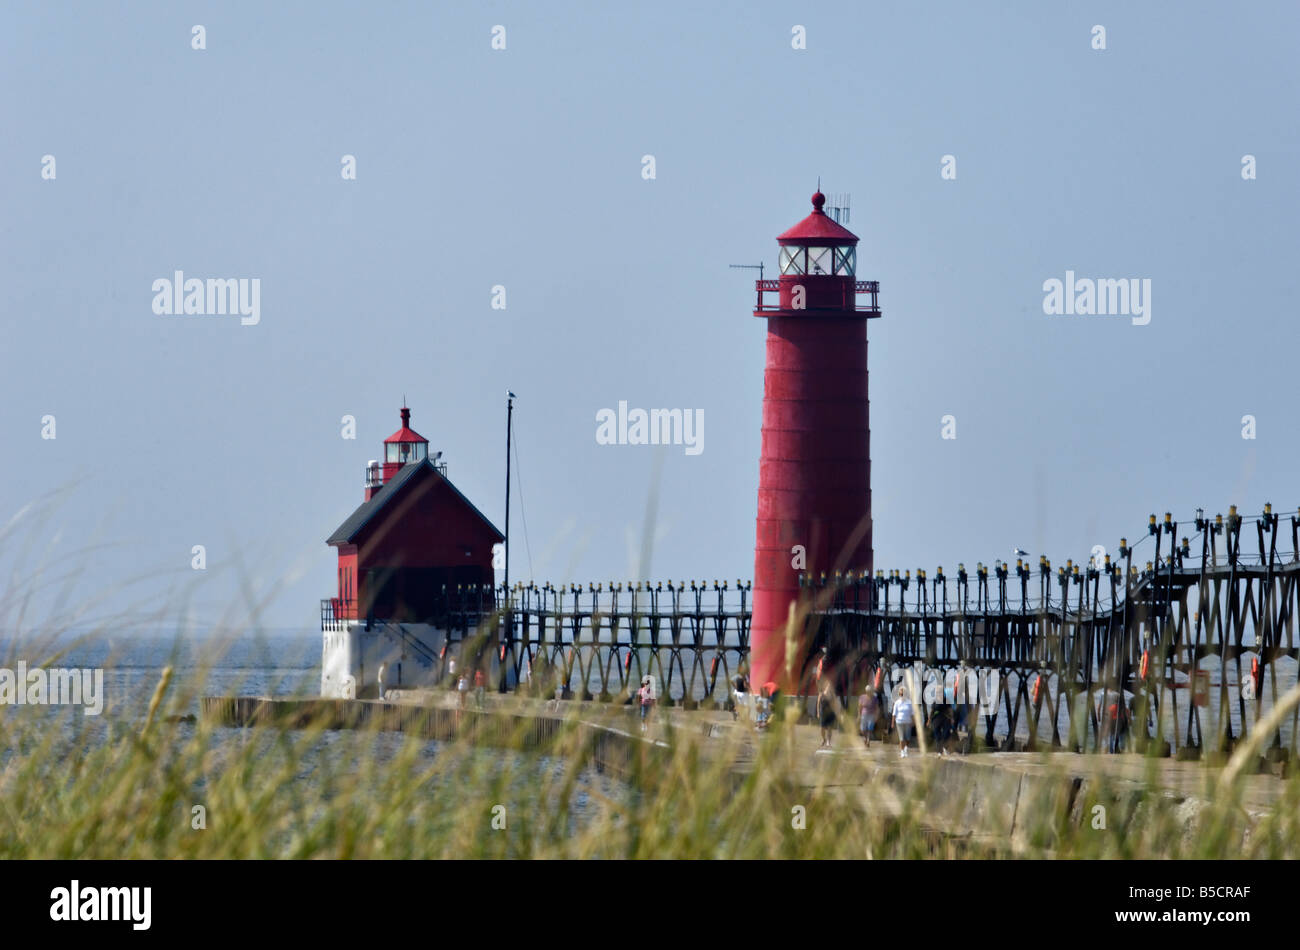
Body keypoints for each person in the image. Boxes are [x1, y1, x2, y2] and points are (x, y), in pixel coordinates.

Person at [891, 686, 914, 758]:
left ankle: (906, 749)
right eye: (900, 694)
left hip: (907, 722)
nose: (902, 695)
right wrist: (892, 723)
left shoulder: (909, 702)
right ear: (899, 694)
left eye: (903, 694)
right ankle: (902, 751)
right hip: (899, 722)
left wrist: (913, 722)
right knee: (901, 738)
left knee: (908, 738)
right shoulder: (897, 703)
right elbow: (894, 714)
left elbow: (912, 713)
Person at [816, 680, 837, 748]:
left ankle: (828, 741)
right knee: (822, 728)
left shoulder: (832, 695)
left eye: (830, 686)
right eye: (828, 686)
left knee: (829, 728)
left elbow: (835, 704)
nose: (829, 687)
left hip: (831, 713)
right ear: (825, 686)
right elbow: (818, 704)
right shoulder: (821, 694)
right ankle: (823, 739)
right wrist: (818, 712)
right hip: (823, 713)